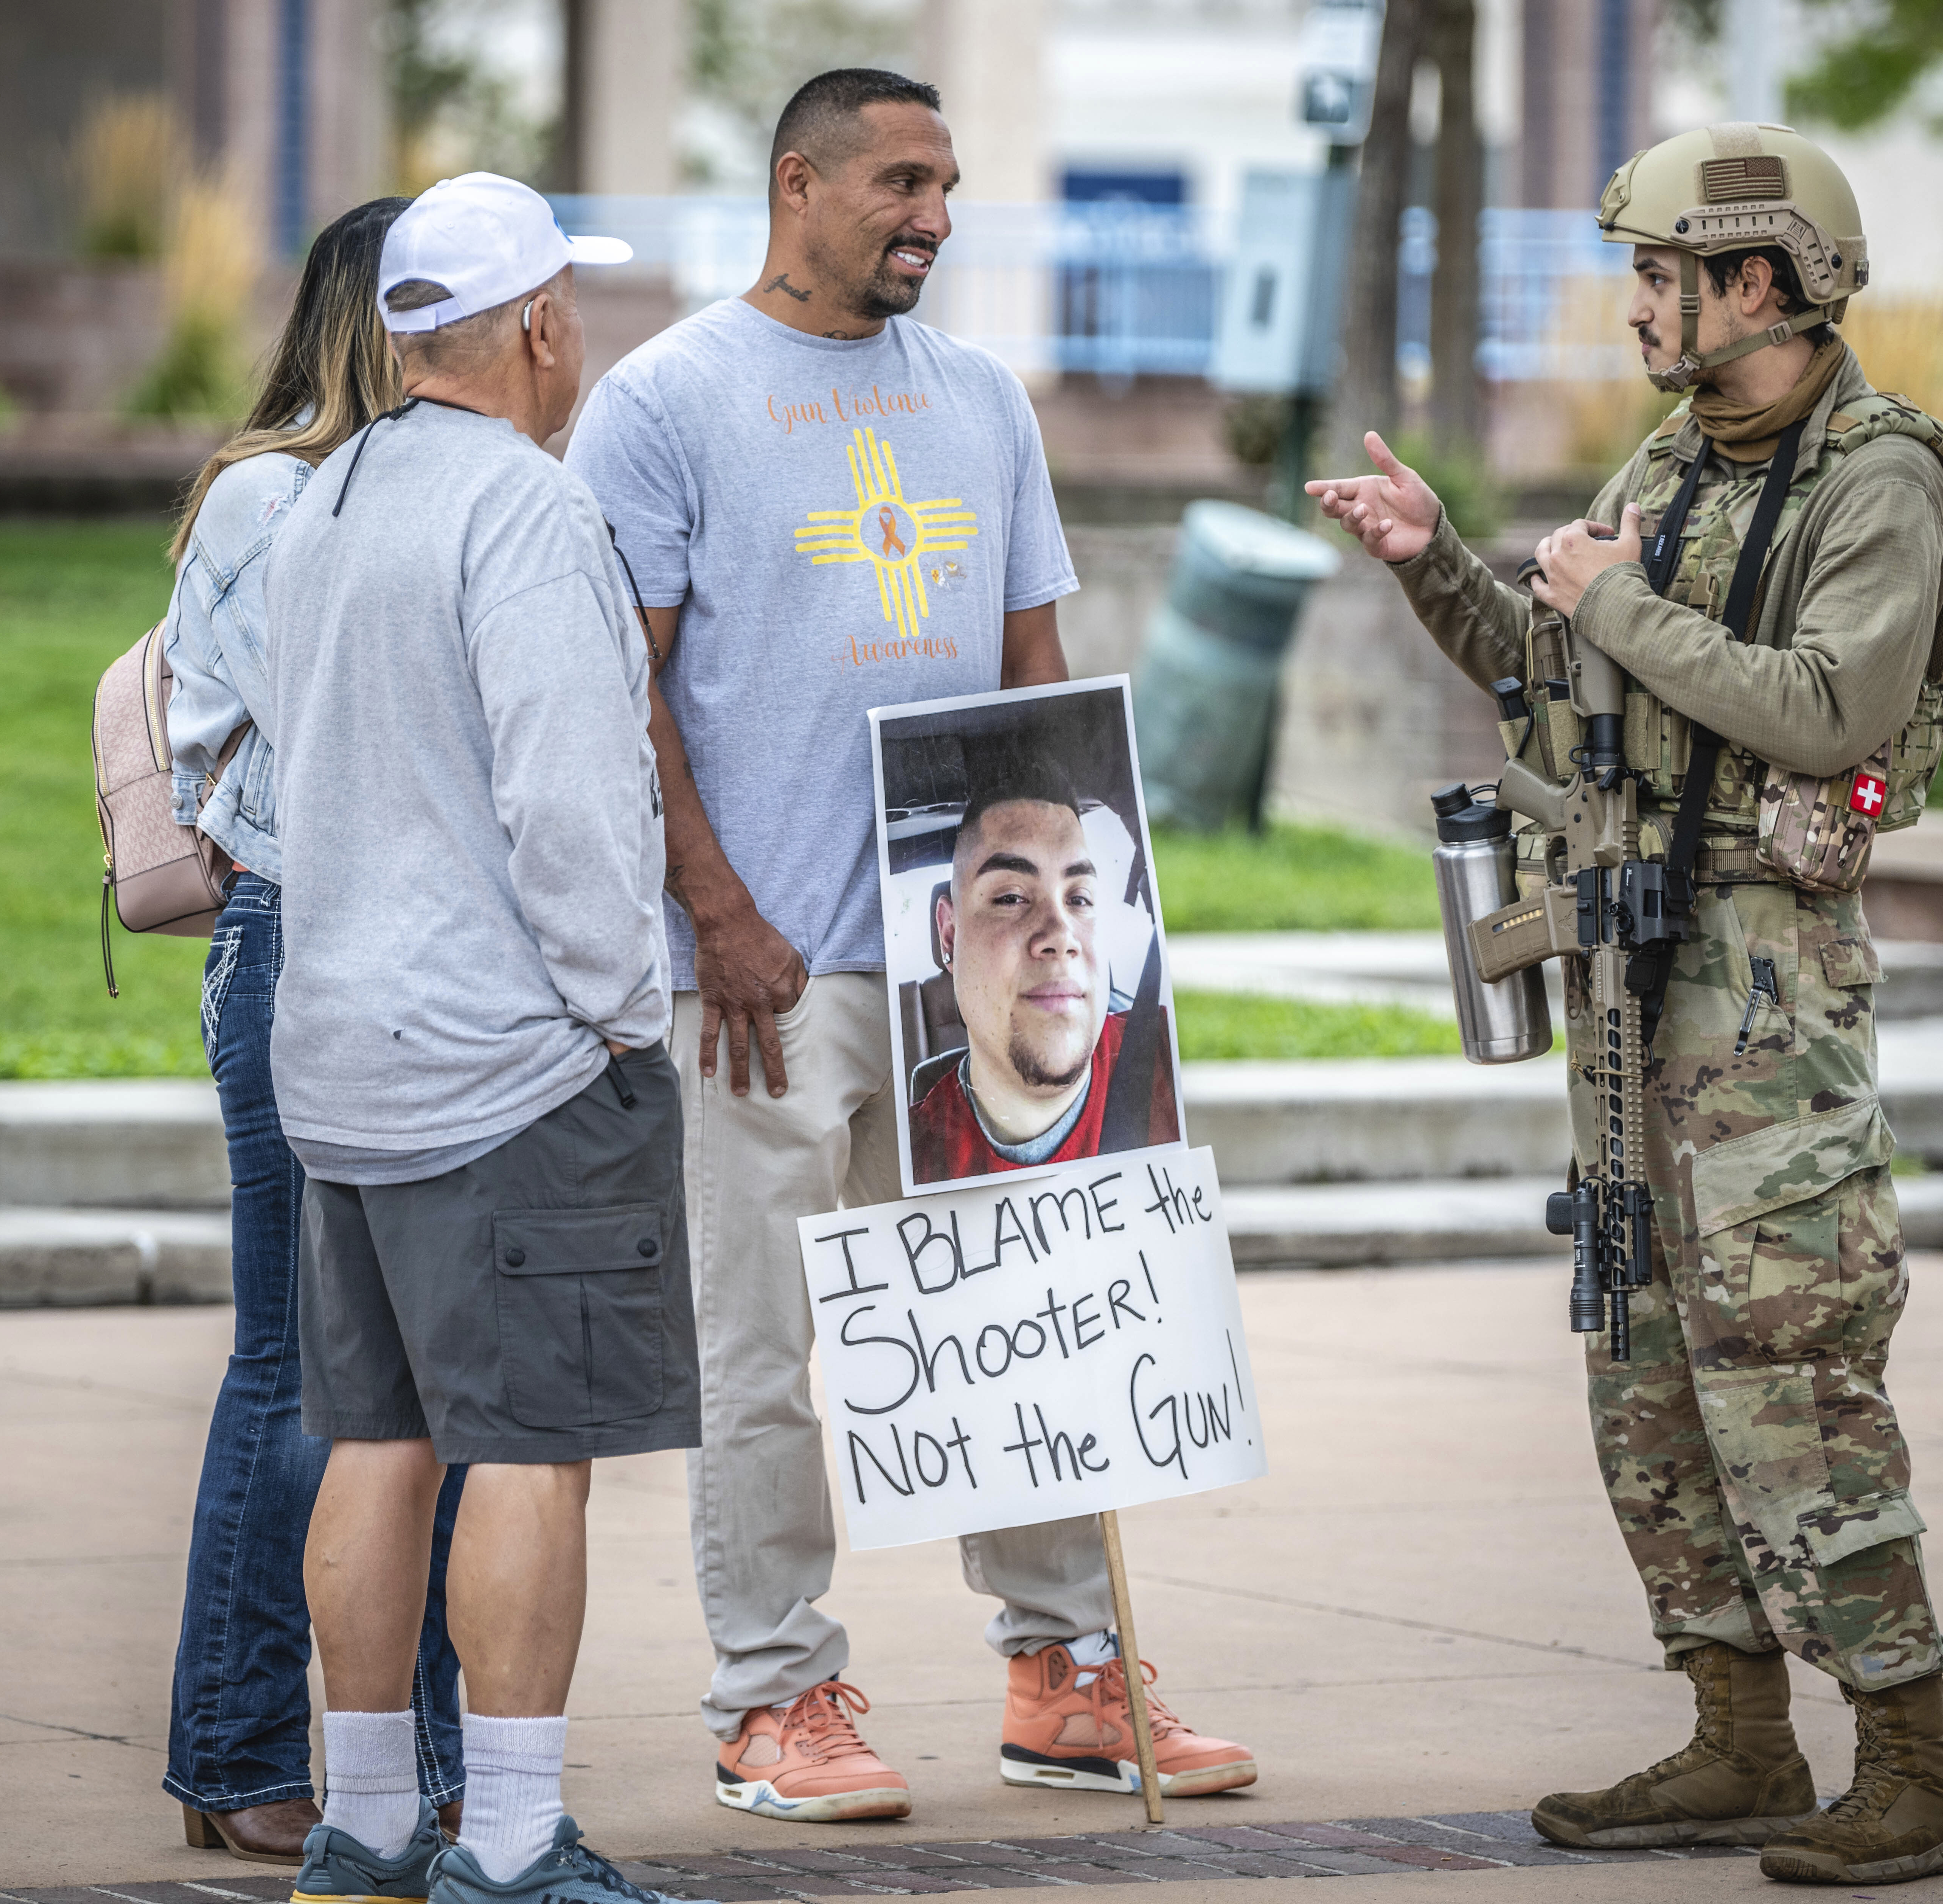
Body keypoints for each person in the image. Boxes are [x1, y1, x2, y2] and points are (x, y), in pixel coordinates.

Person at [1309, 123, 1943, 1889]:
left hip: (1762, 991)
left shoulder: (1875, 476)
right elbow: (1563, 696)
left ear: (1749, 281)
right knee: (1638, 1362)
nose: (1632, 307)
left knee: (1790, 1368)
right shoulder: (1671, 464)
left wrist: (1611, 599)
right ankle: (1737, 1733)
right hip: (1626, 978)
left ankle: (1909, 1761)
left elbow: (1830, 706)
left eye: (1656, 275)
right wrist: (1433, 562)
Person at [565, 68, 1252, 1820]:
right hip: (767, 970)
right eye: (899, 181)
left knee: (1020, 1311)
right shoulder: (666, 401)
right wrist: (711, 909)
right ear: (797, 185)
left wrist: (1074, 951)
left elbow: (1031, 671)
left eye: (944, 184)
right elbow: (616, 683)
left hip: (974, 966)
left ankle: (1066, 1670)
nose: (932, 214)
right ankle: (772, 1693)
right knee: (762, 1343)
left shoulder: (978, 398)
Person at [260, 171, 697, 1904]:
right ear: (537, 323)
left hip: (341, 1062)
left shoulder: (319, 506)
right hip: (508, 1063)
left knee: (377, 1436)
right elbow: (577, 808)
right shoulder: (526, 509)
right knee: (525, 1448)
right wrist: (619, 1016)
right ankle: (511, 1841)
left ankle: (361, 1821)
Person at [160, 195, 467, 1865]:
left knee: (397, 1385)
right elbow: (355, 720)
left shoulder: (395, 490)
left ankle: (392, 1751)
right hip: (300, 936)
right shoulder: (278, 492)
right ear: (390, 314)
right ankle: (238, 1744)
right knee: (301, 1369)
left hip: (392, 946)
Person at [909, 768, 1178, 1183]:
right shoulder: (906, 1157)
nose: (1060, 936)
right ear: (950, 934)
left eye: (1079, 898)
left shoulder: (1172, 1059)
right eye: (1011, 898)